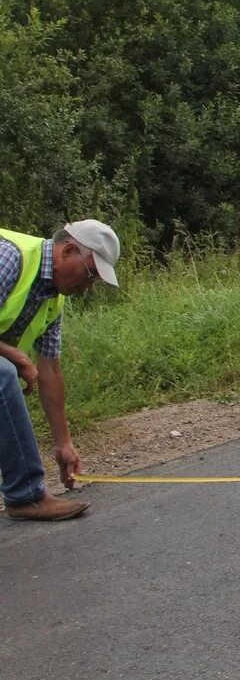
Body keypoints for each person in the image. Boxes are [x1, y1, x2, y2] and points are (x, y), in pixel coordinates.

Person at [1, 219, 121, 521]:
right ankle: (26, 496)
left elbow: (50, 371)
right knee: (3, 373)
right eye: (90, 275)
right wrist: (12, 353)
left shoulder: (52, 299)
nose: (86, 288)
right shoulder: (9, 257)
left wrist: (63, 443)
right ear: (68, 250)